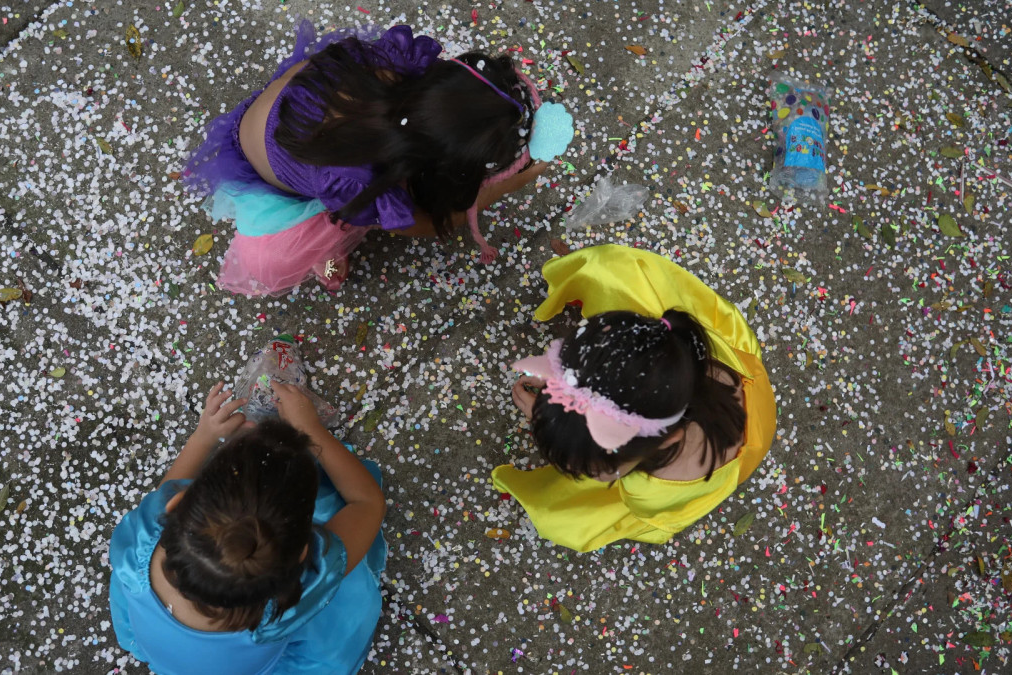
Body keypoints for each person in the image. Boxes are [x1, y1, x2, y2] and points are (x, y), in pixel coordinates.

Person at [184, 22, 554, 293]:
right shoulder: (359, 179)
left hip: (283, 117)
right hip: (273, 179)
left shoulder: (397, 66)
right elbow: (419, 224)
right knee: (320, 238)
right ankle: (322, 258)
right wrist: (496, 191)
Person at [491, 244, 777, 552]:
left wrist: (546, 416)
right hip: (751, 390)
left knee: (562, 518)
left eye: (594, 470)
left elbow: (651, 510)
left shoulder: (651, 491)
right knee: (616, 272)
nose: (593, 476)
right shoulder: (686, 360)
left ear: (667, 440)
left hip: (743, 446)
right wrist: (561, 392)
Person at [108, 381, 387, 674]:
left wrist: (203, 437)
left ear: (176, 504)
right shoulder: (288, 604)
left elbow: (165, 490)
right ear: (305, 553)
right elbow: (367, 503)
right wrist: (313, 431)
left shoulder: (141, 544)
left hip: (170, 653)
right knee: (348, 594)